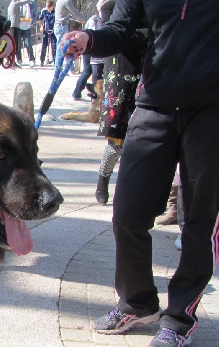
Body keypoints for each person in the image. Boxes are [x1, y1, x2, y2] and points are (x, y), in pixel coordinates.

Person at [64, 0, 219, 347]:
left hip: (211, 111)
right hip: (154, 104)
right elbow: (120, 30)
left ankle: (179, 317)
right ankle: (137, 302)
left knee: (199, 221)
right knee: (127, 213)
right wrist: (88, 38)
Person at [93, 0, 147, 205]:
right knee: (117, 142)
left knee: (143, 141)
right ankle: (102, 180)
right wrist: (150, 36)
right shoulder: (110, 7)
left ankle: (133, 189)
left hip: (147, 75)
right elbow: (115, 37)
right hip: (121, 76)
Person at [7, 0, 29, 67]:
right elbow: (24, 2)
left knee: (12, 45)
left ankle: (9, 61)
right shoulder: (15, 4)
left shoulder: (10, 5)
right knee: (14, 45)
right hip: (15, 27)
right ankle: (11, 61)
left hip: (12, 26)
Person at [18, 1, 36, 66]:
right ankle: (19, 59)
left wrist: (31, 21)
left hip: (27, 27)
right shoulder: (18, 3)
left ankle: (31, 59)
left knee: (28, 43)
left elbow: (34, 16)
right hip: (18, 26)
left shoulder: (32, 4)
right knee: (18, 44)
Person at [38, 1, 56, 66]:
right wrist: (41, 26)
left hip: (53, 30)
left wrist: (55, 28)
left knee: (54, 46)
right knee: (44, 46)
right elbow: (41, 19)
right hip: (46, 30)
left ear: (52, 6)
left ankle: (55, 60)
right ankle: (42, 61)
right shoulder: (44, 11)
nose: (48, 9)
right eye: (47, 7)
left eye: (49, 7)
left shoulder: (56, 11)